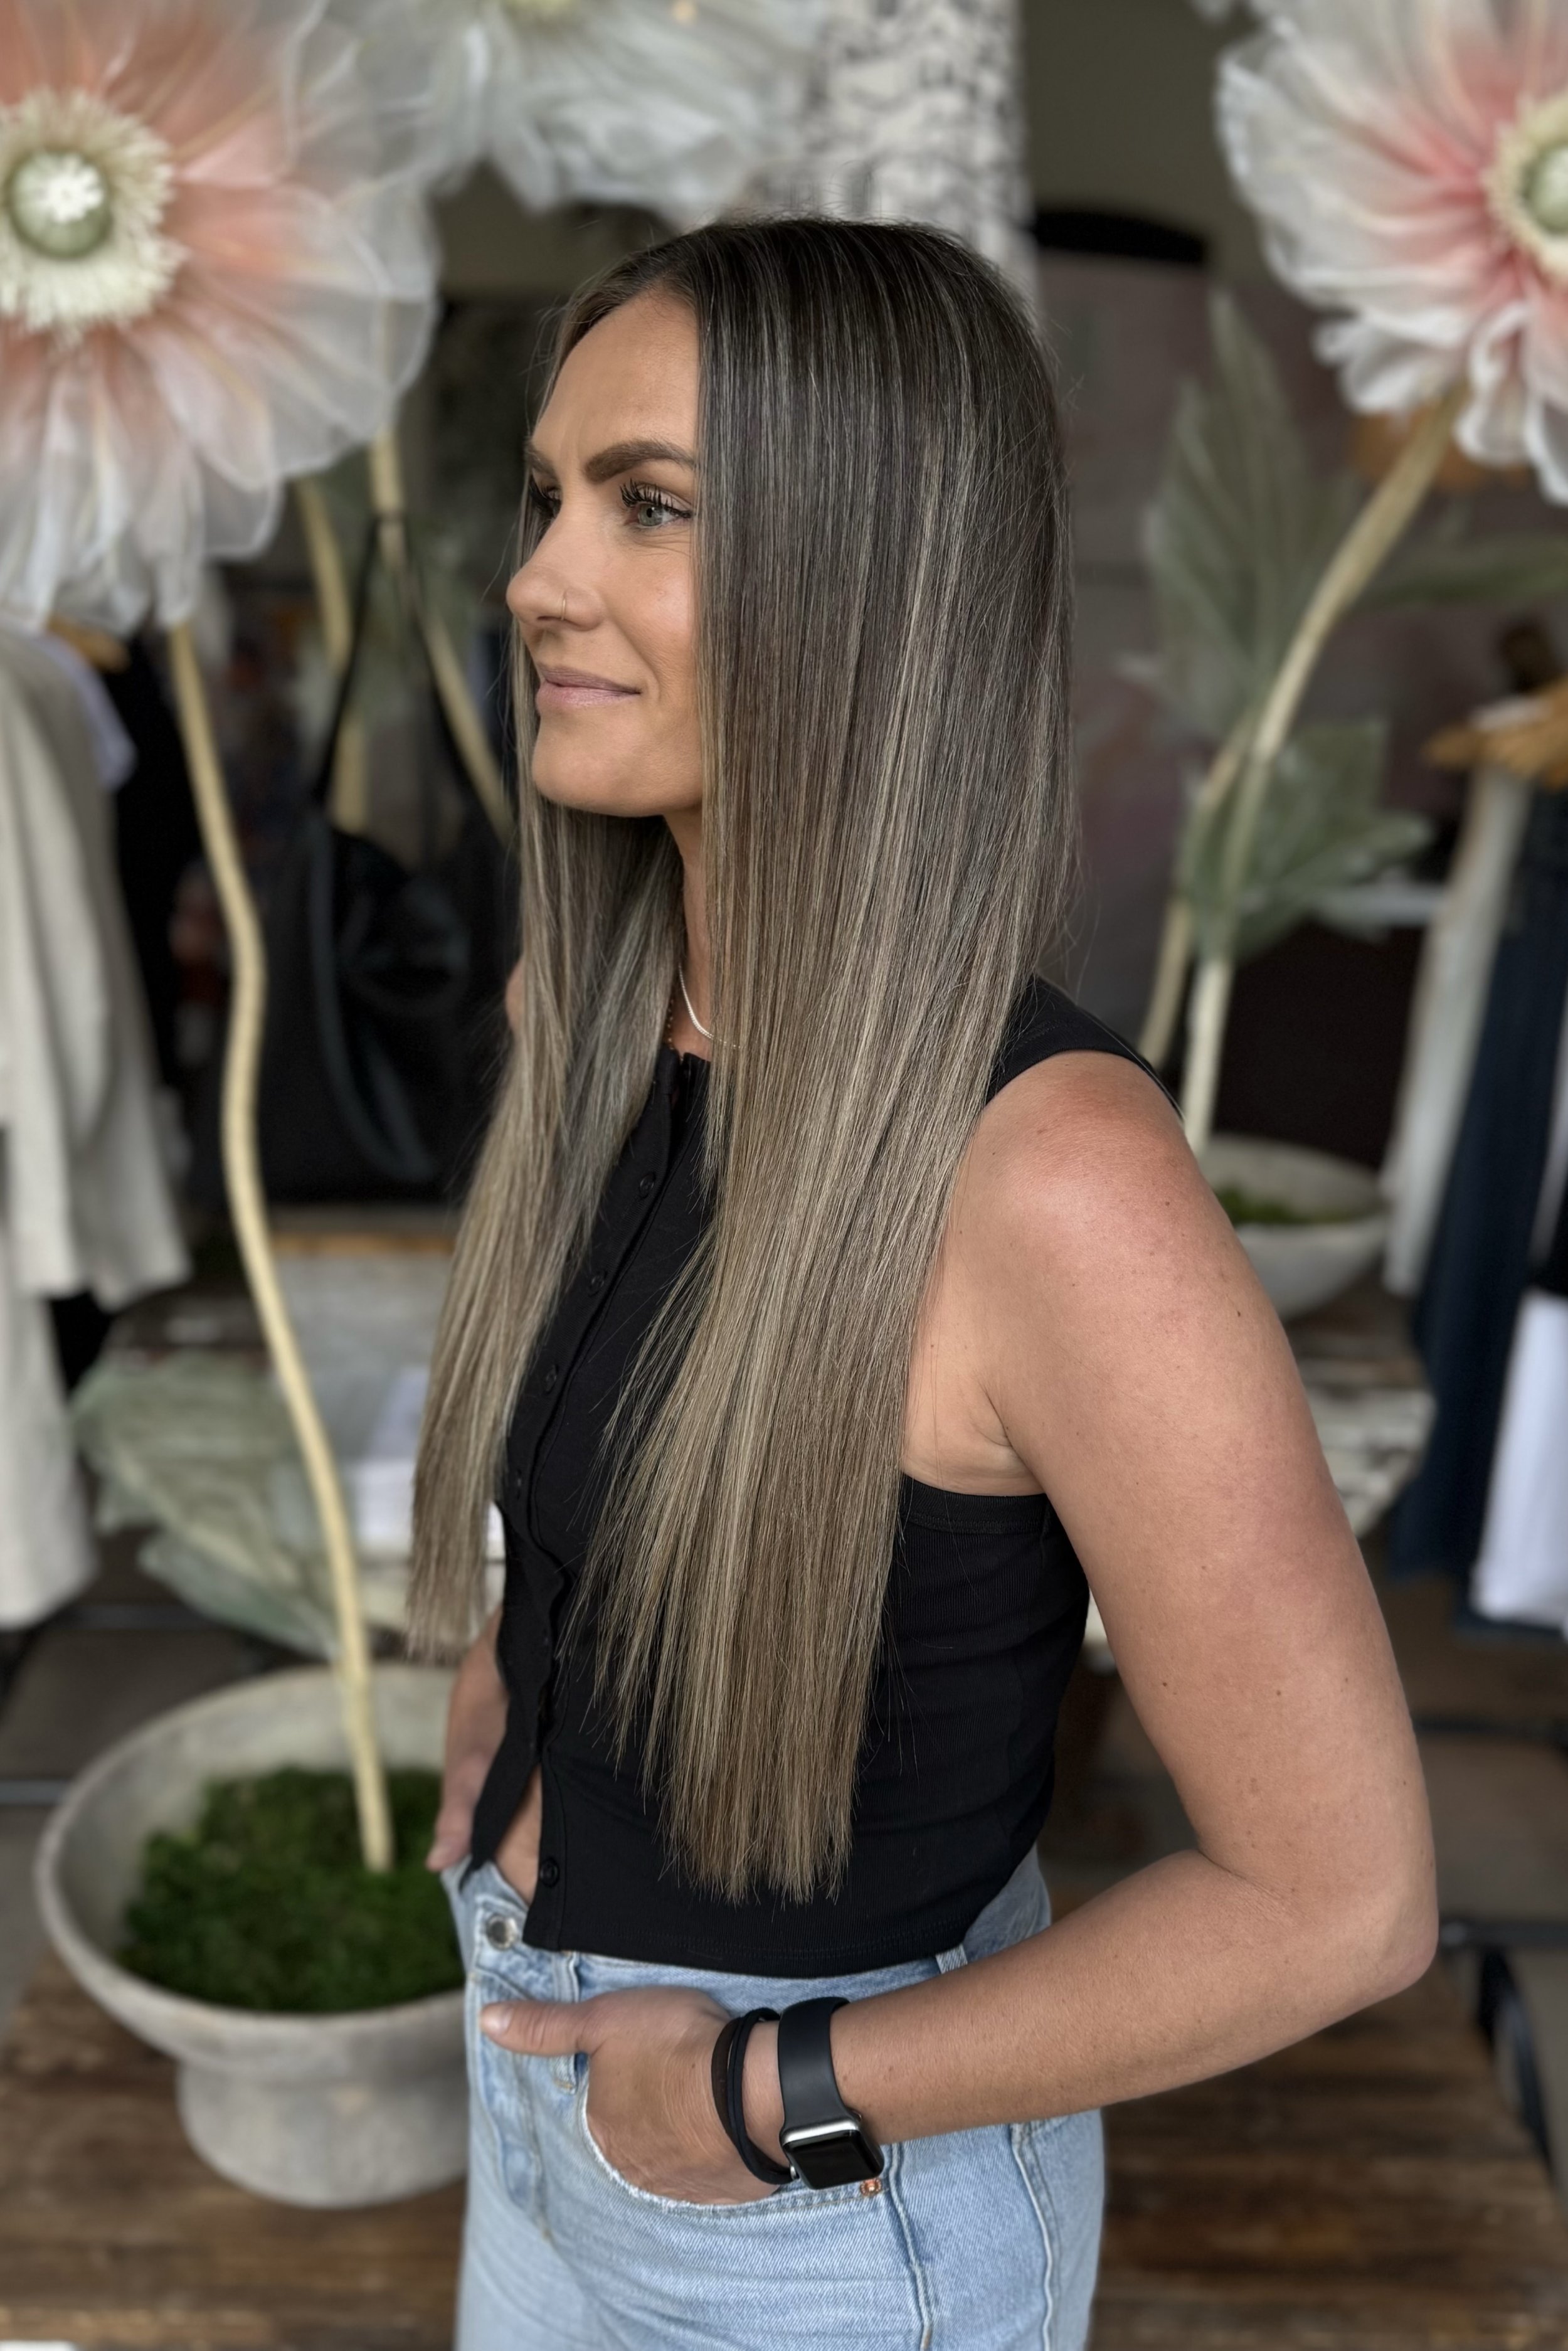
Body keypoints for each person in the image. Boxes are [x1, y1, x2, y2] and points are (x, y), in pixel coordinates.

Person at [411, 218, 1435, 2351]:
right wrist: (507, 1702)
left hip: (797, 2203)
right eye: (546, 495)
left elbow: (1334, 1903)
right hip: (536, 2054)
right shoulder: (595, 1017)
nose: (534, 578)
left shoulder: (1052, 1184)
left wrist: (763, 2094)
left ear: (866, 584)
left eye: (651, 507)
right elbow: (607, 1447)